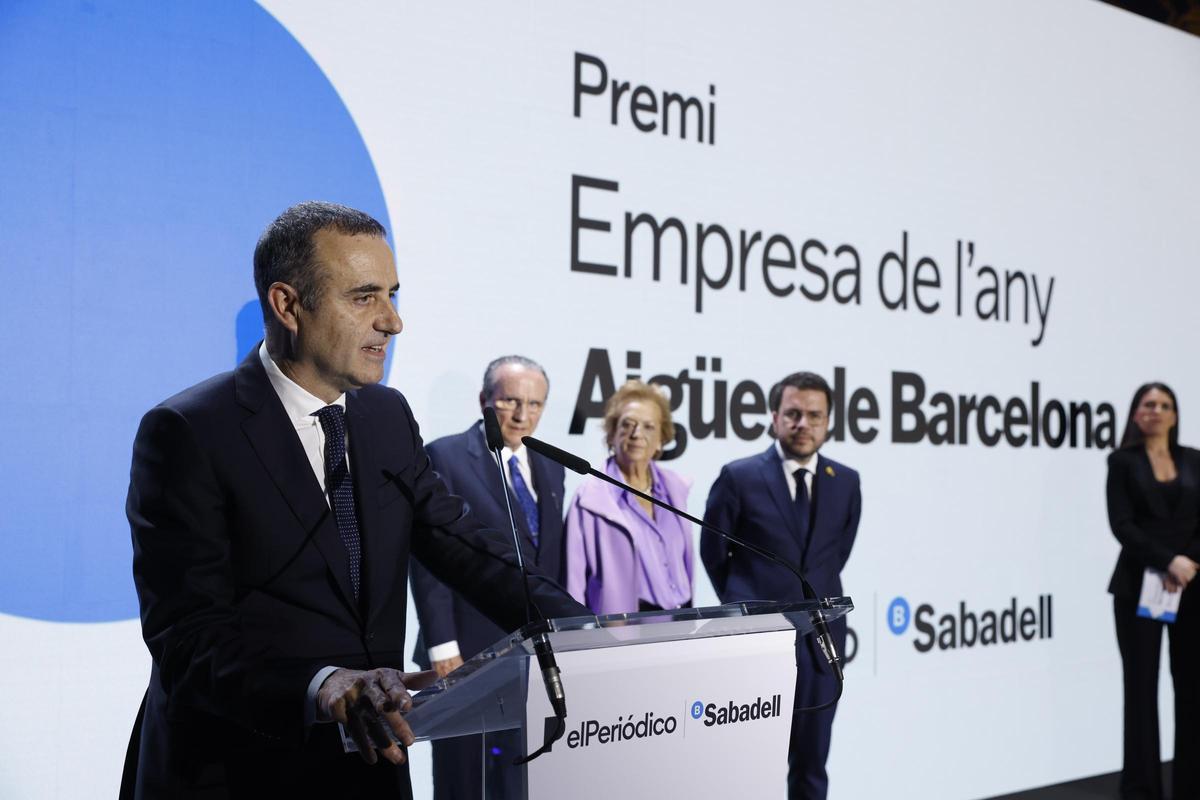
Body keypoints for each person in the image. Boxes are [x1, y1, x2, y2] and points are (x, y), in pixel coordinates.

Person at [120, 201, 585, 799]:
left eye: (393, 294)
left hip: (369, 767)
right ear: (288, 304)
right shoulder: (188, 431)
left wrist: (586, 634)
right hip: (236, 769)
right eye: (365, 297)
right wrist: (324, 685)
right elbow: (187, 637)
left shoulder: (386, 417)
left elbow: (465, 547)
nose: (393, 321)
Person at [409, 355, 567, 799]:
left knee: (520, 777)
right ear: (484, 400)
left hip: (529, 652)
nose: (523, 415)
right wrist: (442, 644)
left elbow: (548, 561)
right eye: (511, 401)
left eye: (535, 405)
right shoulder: (446, 454)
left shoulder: (550, 465)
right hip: (464, 650)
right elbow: (428, 554)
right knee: (463, 778)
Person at [701, 371, 861, 800]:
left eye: (814, 415)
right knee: (751, 766)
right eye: (792, 414)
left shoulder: (845, 481)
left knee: (812, 764)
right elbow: (714, 554)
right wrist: (746, 608)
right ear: (774, 418)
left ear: (828, 422)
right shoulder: (739, 476)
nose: (802, 423)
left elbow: (834, 556)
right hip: (756, 641)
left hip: (821, 648)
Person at [1106, 382, 1200, 800]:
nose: (1156, 411)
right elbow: (1121, 524)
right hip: (1138, 587)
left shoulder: (1195, 460)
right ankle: (1142, 789)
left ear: (1175, 415)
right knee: (1141, 687)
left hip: (1192, 585)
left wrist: (1187, 563)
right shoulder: (1122, 462)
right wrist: (1167, 561)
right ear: (1135, 413)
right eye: (1149, 404)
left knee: (1193, 687)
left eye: (1165, 405)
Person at [565, 380, 693, 614]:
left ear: (661, 439)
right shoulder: (590, 499)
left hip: (683, 621)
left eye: (648, 427)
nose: (637, 434)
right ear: (612, 434)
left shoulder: (675, 490)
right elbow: (573, 584)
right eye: (627, 425)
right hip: (626, 630)